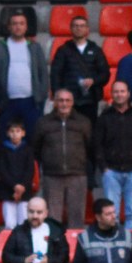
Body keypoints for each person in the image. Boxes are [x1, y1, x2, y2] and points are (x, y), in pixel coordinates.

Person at [32, 90, 95, 228]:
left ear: (72, 102)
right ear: (55, 102)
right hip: (52, 176)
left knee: (77, 218)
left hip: (77, 175)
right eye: (60, 100)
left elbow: (90, 147)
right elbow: (36, 148)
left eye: (67, 100)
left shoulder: (83, 122)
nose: (64, 104)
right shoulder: (43, 122)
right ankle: (55, 249)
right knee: (52, 220)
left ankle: (74, 249)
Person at [93, 81, 132, 231]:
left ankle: (130, 247)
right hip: (111, 172)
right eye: (116, 92)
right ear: (112, 94)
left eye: (122, 91)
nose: (119, 94)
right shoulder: (104, 117)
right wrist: (104, 168)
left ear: (128, 93)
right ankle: (115, 243)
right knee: (112, 214)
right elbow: (97, 145)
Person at [0, 10, 50, 136]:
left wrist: (41, 95)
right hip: (6, 101)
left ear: (26, 27)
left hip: (30, 101)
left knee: (32, 136)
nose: (18, 26)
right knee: (4, 136)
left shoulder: (35, 47)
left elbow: (43, 73)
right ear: (9, 27)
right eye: (14, 23)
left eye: (21, 23)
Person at [51, 14, 110, 129]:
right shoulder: (63, 50)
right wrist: (57, 96)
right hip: (67, 101)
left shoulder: (96, 50)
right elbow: (55, 75)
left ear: (87, 29)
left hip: (90, 100)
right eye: (76, 26)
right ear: (71, 28)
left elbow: (105, 74)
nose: (79, 28)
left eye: (82, 26)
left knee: (89, 130)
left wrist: (93, 81)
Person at [0, 118, 36, 230]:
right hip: (7, 191)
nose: (14, 134)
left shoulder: (28, 150)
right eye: (12, 131)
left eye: (18, 131)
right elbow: (2, 170)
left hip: (24, 191)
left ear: (23, 133)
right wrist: (14, 186)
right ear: (8, 133)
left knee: (24, 223)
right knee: (9, 224)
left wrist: (22, 186)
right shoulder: (3, 149)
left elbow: (30, 170)